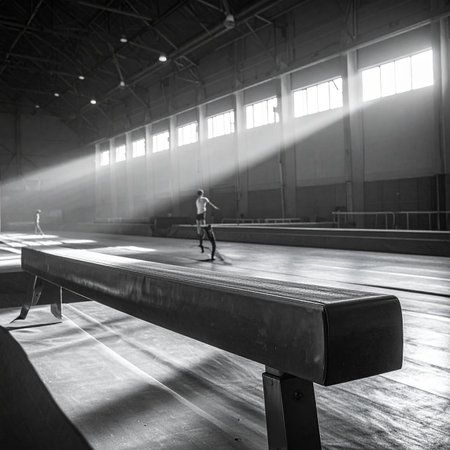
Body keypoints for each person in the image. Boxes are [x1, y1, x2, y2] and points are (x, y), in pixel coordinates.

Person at [195, 189, 219, 260]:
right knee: (204, 229)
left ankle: (201, 244)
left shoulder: (197, 200)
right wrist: (215, 207)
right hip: (202, 215)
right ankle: (202, 242)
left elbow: (199, 207)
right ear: (202, 193)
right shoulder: (204, 199)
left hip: (198, 216)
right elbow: (210, 204)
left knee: (199, 231)